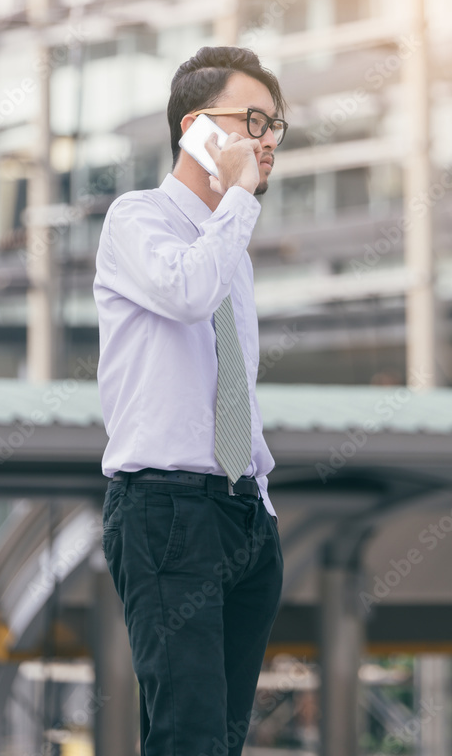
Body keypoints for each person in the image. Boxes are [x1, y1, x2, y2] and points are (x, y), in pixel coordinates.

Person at [93, 45, 288, 756]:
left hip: (241, 511)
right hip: (168, 508)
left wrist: (260, 501)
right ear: (197, 128)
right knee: (189, 736)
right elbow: (185, 292)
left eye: (276, 128)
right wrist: (235, 199)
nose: (267, 143)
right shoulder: (135, 218)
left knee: (223, 741)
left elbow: (233, 380)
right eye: (254, 121)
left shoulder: (230, 247)